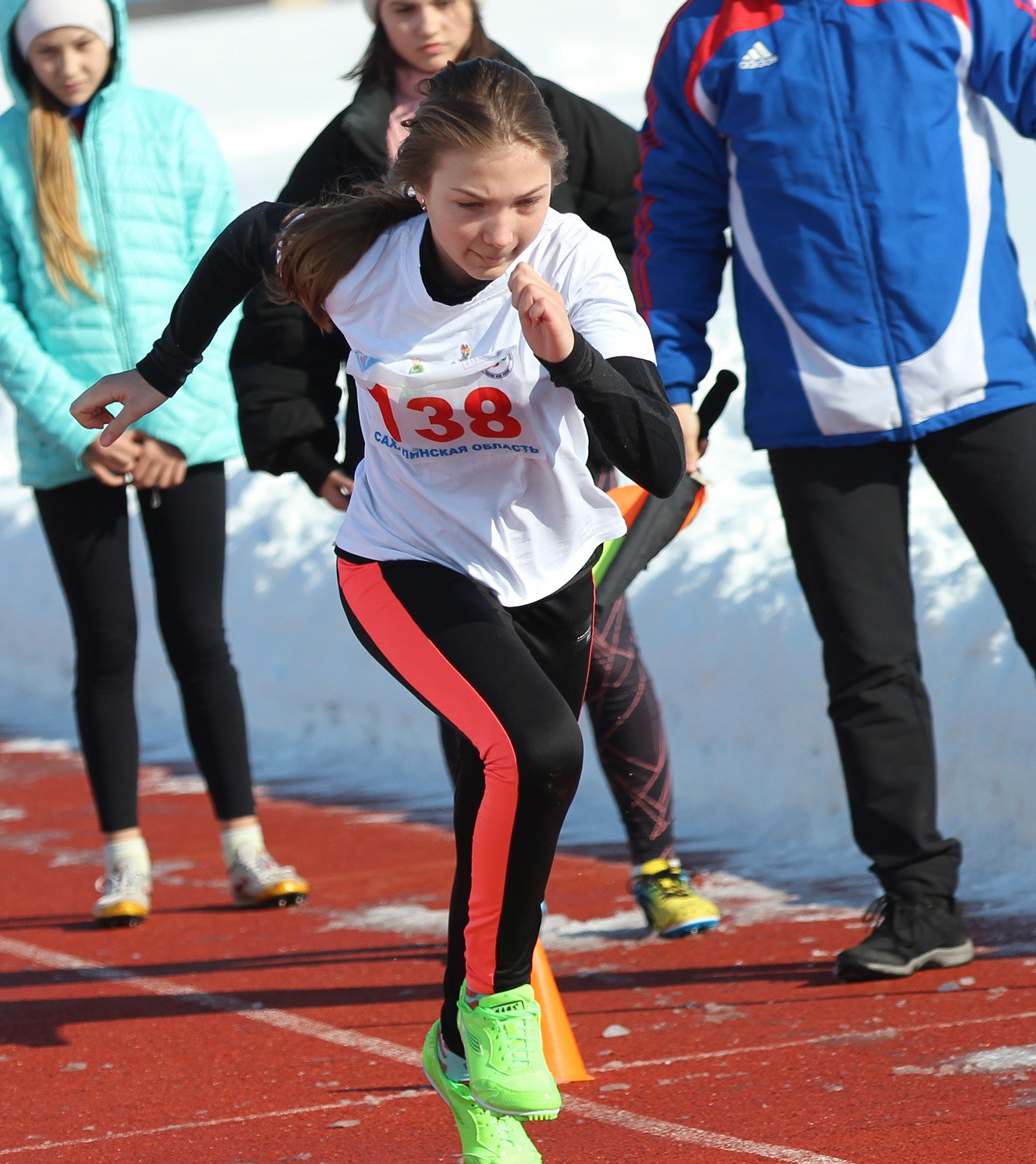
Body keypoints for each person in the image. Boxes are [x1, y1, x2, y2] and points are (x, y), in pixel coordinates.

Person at [72, 60, 685, 1164]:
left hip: (546, 570)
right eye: (468, 206)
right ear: (417, 188)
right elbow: (249, 237)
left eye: (524, 202)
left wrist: (568, 356)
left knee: (501, 814)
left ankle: (456, 1058)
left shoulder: (574, 263)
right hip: (401, 563)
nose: (499, 232)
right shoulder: (359, 256)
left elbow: (657, 461)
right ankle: (500, 1014)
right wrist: (159, 375)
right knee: (539, 750)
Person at [639, 0, 1036, 980]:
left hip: (981, 374)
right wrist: (670, 381)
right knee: (867, 659)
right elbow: (674, 210)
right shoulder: (706, 34)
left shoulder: (952, 7)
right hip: (817, 400)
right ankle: (919, 898)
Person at [231, 0, 717, 936]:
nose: (427, 23)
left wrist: (647, 376)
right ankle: (501, 903)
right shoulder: (351, 143)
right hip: (423, 484)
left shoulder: (539, 115)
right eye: (404, 6)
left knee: (601, 651)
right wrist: (303, 446)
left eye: (445, 1)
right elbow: (280, 292)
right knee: (493, 716)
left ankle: (655, 858)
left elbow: (659, 210)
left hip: (563, 463)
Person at [0, 0, 308, 927]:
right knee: (105, 645)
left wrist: (171, 424)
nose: (68, 66)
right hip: (72, 445)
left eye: (83, 46)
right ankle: (125, 856)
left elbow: (220, 275)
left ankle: (243, 843)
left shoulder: (172, 128)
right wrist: (87, 430)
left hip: (181, 432)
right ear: (18, 55)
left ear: (110, 42)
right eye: (48, 50)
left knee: (200, 636)